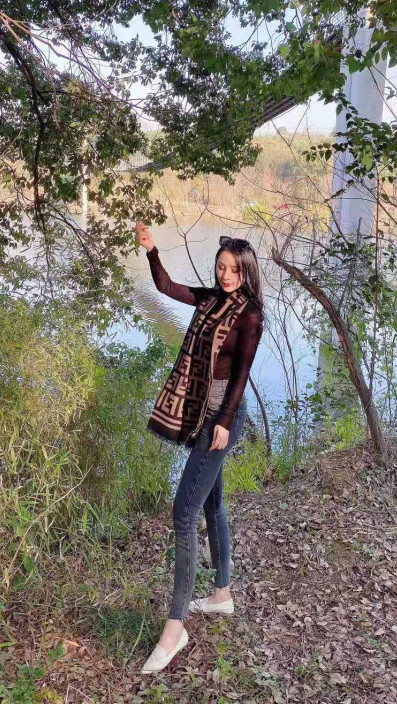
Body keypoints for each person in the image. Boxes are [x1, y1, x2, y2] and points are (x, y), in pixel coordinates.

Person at [134, 223, 264, 673]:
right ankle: (221, 594)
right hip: (204, 412)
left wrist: (224, 421)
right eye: (221, 267)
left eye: (234, 270)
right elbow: (166, 287)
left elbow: (242, 373)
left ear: (247, 273)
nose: (226, 275)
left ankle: (175, 628)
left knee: (183, 513)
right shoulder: (210, 300)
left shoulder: (250, 315)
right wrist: (152, 250)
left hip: (221, 419)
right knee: (212, 504)